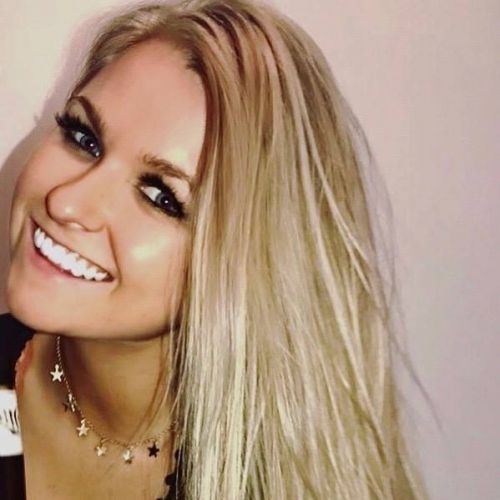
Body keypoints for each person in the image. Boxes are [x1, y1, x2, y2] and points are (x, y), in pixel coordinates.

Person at [0, 0, 429, 498]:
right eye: (84, 138)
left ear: (253, 264)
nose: (67, 201)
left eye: (161, 196)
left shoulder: (282, 478)